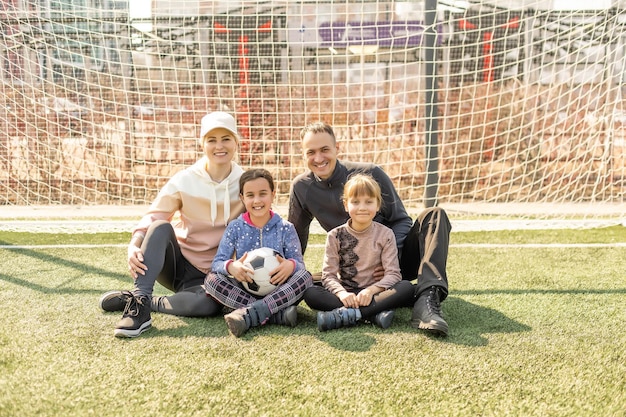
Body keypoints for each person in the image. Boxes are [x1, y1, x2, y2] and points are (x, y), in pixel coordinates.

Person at [288, 121, 452, 336]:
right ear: (303, 154)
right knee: (309, 284)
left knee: (434, 215)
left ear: (337, 148)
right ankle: (374, 311)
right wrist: (286, 273)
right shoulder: (302, 187)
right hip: (351, 271)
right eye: (311, 152)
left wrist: (385, 256)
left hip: (393, 261)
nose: (319, 158)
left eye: (325, 150)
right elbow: (295, 239)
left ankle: (427, 299)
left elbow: (402, 220)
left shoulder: (370, 173)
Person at [99, 111, 245, 338]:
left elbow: (261, 219)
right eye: (211, 140)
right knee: (160, 228)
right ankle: (140, 304)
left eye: (226, 139)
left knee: (207, 307)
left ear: (236, 142)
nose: (219, 146)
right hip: (177, 265)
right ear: (202, 144)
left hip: (217, 273)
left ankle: (147, 301)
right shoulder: (184, 179)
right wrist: (134, 243)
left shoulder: (245, 181)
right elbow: (154, 216)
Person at [205, 168, 313, 337]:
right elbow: (217, 263)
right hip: (246, 289)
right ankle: (275, 314)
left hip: (280, 290)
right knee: (212, 280)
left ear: (273, 194)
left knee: (305, 277)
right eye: (250, 195)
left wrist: (290, 266)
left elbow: (299, 264)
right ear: (242, 198)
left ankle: (248, 314)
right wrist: (232, 267)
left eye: (263, 193)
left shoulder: (286, 228)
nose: (257, 200)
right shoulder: (235, 227)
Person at [304, 173, 415, 331]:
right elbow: (328, 275)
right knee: (311, 293)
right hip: (347, 293)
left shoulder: (386, 234)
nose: (362, 207)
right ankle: (373, 315)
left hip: (374, 294)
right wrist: (342, 294)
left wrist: (370, 291)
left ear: (377, 205)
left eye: (369, 202)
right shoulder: (334, 236)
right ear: (346, 205)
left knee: (406, 288)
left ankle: (347, 315)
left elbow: (393, 275)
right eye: (355, 202)